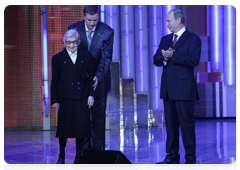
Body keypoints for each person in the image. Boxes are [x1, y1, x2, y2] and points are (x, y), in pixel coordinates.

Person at [153, 9, 201, 169]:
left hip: (184, 89)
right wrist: (164, 58)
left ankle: (190, 158)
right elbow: (156, 59)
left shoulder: (193, 39)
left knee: (186, 125)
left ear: (178, 20)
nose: (167, 24)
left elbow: (193, 60)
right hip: (168, 88)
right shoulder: (165, 39)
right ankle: (172, 156)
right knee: (171, 126)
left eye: (169, 21)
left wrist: (173, 55)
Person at [68, 5, 114, 150]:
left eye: (95, 20)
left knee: (98, 118)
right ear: (83, 16)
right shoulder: (74, 29)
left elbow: (106, 59)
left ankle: (97, 152)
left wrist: (97, 77)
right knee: (82, 119)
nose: (92, 23)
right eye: (89, 20)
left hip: (99, 82)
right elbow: (71, 56)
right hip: (80, 82)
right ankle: (83, 154)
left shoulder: (107, 32)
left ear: (99, 16)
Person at [51, 29, 95, 168]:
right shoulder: (57, 58)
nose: (71, 45)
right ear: (64, 43)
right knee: (64, 129)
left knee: (80, 130)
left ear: (78, 42)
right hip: (65, 98)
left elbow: (90, 78)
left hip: (81, 96)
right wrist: (55, 100)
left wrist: (90, 95)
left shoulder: (86, 56)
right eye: (68, 42)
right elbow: (55, 80)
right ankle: (62, 155)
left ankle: (78, 157)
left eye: (74, 42)